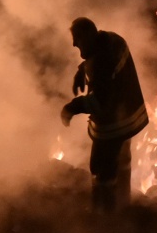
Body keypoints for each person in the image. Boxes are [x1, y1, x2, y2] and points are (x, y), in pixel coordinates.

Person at [60, 16, 148, 211]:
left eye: (78, 39)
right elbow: (103, 61)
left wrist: (71, 108)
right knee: (123, 160)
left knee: (102, 170)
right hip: (128, 117)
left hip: (113, 127)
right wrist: (82, 69)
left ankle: (104, 216)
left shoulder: (100, 63)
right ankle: (123, 203)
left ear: (90, 35)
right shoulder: (112, 39)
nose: (74, 44)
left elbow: (99, 101)